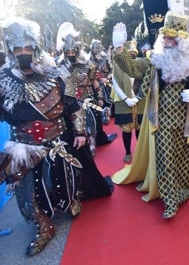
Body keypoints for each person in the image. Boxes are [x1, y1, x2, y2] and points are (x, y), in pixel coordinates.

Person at [0, 18, 86, 256]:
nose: (24, 53)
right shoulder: (2, 79)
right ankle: (43, 225)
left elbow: (73, 105)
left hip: (57, 138)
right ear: (11, 50)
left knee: (62, 179)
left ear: (36, 48)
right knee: (28, 190)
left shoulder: (55, 74)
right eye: (18, 49)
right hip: (23, 144)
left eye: (28, 48)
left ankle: (69, 201)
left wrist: (79, 131)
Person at [111, 13, 189, 219]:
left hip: (184, 122)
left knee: (182, 160)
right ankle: (170, 200)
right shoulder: (154, 60)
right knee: (165, 160)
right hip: (161, 122)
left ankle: (181, 190)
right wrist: (119, 49)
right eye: (164, 36)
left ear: (181, 41)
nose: (165, 41)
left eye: (170, 38)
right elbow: (134, 70)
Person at [57, 22, 117, 156]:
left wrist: (100, 97)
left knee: (92, 122)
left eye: (73, 51)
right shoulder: (59, 67)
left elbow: (94, 82)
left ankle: (93, 143)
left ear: (77, 51)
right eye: (68, 52)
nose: (71, 54)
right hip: (71, 102)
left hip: (88, 98)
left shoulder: (88, 65)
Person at [111, 39, 145, 163]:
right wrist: (126, 99)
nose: (132, 54)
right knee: (126, 129)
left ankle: (140, 152)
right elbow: (115, 83)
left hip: (140, 100)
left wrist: (138, 97)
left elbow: (146, 82)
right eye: (130, 52)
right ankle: (127, 152)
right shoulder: (118, 65)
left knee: (139, 128)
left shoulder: (141, 64)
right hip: (123, 100)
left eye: (134, 52)